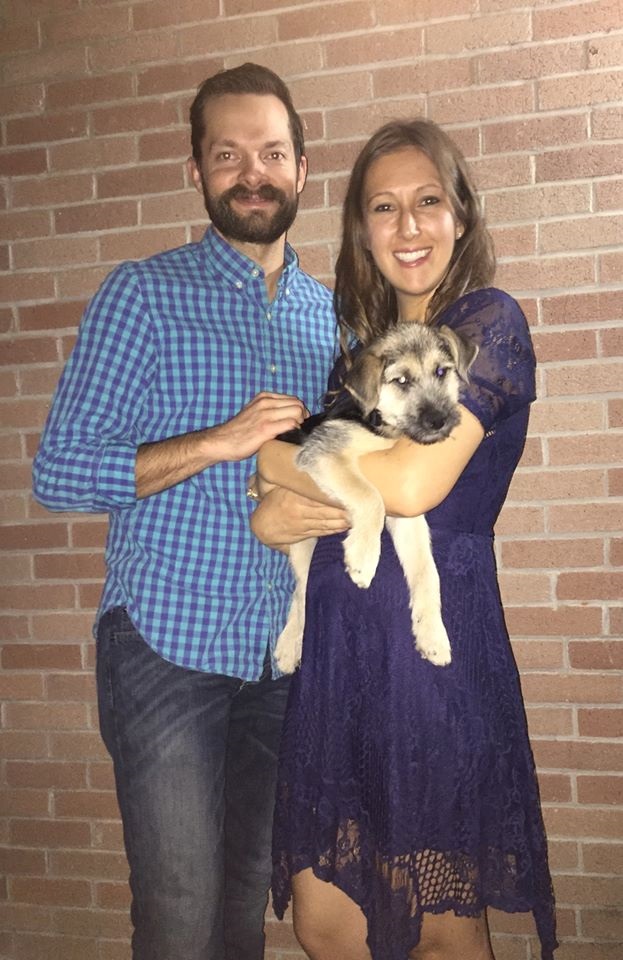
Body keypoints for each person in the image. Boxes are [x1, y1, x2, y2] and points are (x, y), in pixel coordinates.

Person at [32, 63, 347, 960]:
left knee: (244, 904)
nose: (253, 173)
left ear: (301, 168)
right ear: (196, 170)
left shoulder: (333, 321)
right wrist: (218, 441)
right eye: (228, 154)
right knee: (178, 913)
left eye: (272, 153)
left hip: (281, 659)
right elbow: (57, 473)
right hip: (165, 646)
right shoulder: (142, 293)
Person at [251, 119, 558, 960]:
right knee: (324, 926)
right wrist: (269, 509)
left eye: (427, 201)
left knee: (440, 933)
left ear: (460, 213)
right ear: (362, 231)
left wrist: (271, 464)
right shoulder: (358, 361)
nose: (408, 225)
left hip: (427, 657)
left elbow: (412, 484)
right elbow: (294, 490)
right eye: (383, 207)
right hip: (336, 656)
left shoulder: (487, 324)